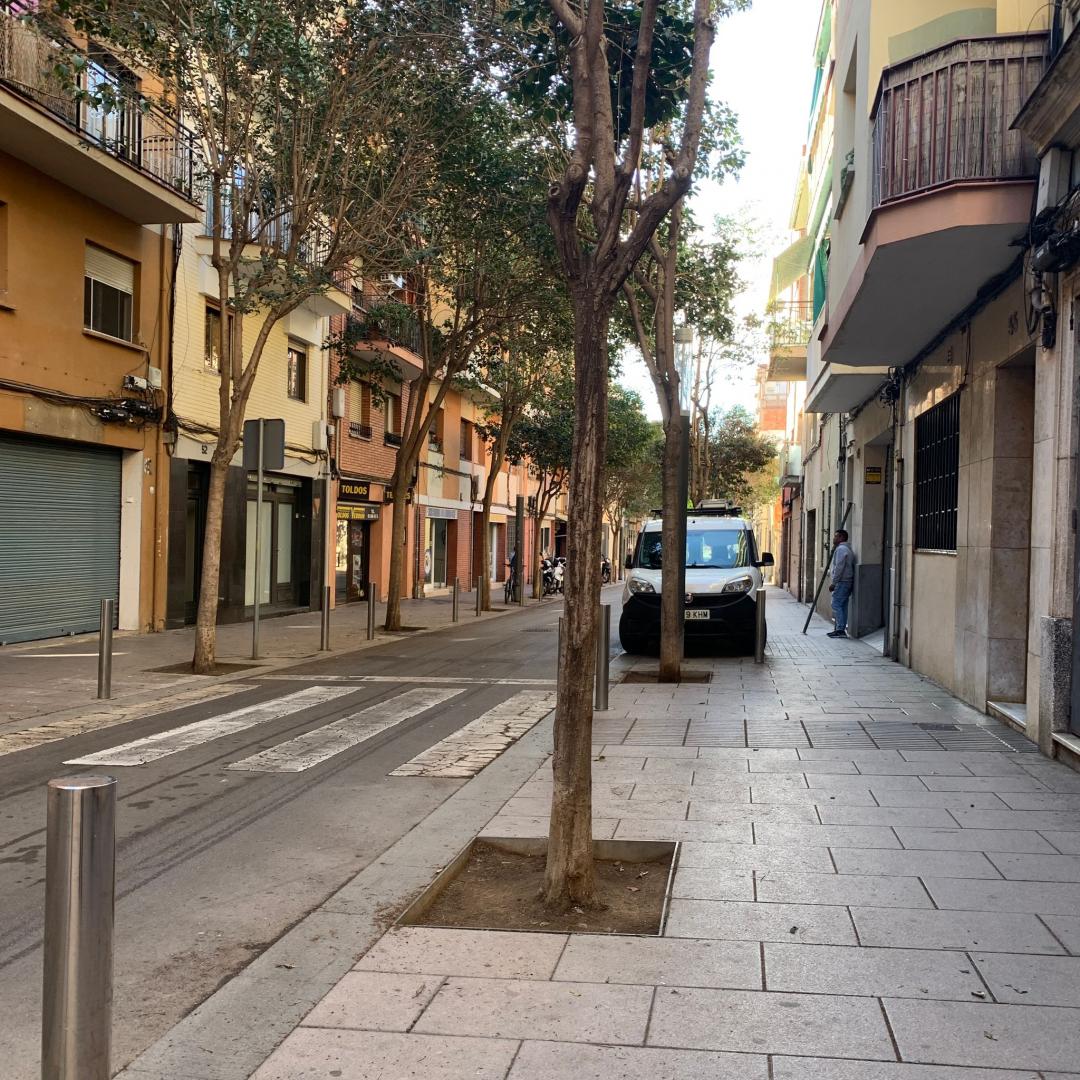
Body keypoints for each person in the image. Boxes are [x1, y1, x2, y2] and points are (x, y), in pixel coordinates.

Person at [828, 529, 855, 639]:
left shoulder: (841, 549)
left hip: (842, 581)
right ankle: (841, 629)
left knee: (836, 604)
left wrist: (834, 583)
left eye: (836, 536)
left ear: (841, 538)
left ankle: (840, 629)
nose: (834, 538)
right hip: (846, 581)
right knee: (842, 605)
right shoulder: (846, 549)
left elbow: (839, 567)